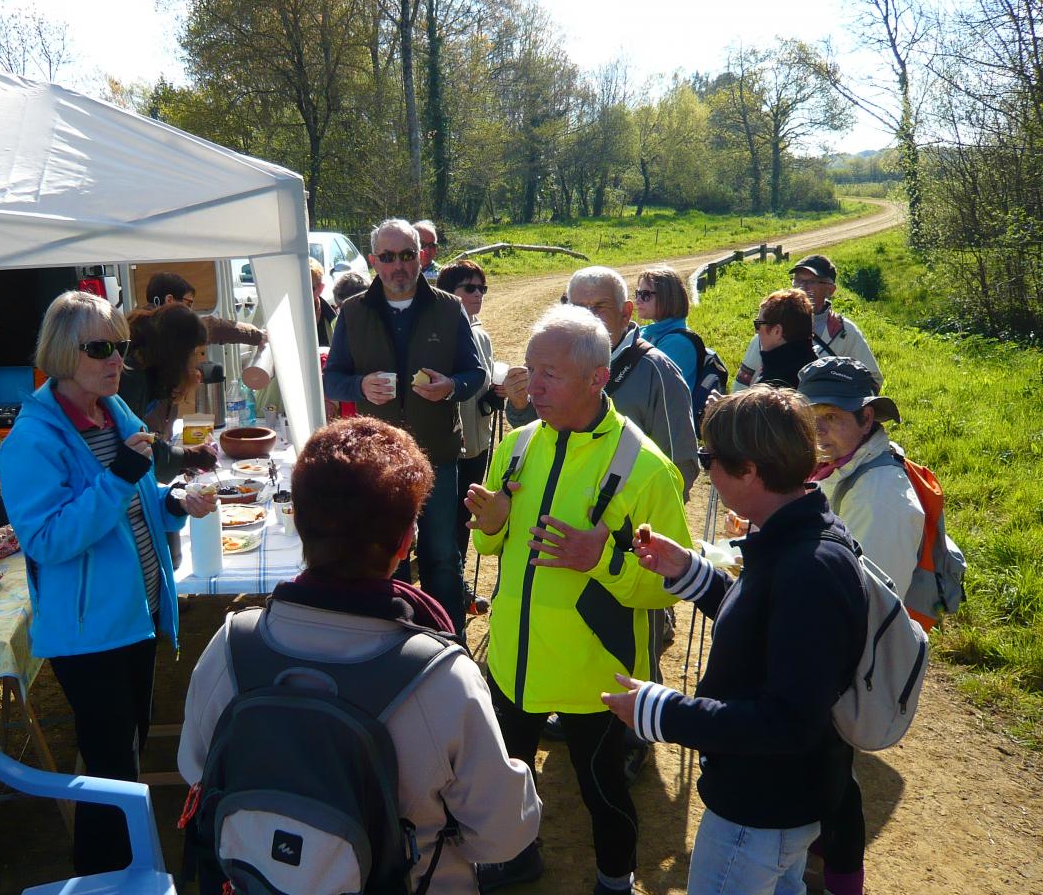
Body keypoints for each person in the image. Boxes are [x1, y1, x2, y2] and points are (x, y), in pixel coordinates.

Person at [178, 417, 542, 894]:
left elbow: (195, 767)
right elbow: (501, 837)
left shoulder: (235, 644)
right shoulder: (442, 677)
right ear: (405, 543)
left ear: (299, 525)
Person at [602, 386, 868, 895]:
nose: (705, 470)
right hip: (781, 804)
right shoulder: (794, 534)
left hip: (760, 810)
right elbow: (767, 626)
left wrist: (663, 712)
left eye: (710, 459)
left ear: (748, 469)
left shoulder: (806, 567)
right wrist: (693, 573)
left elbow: (788, 722)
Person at [466, 305, 692, 895]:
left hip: (597, 677)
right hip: (514, 663)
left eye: (550, 374)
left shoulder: (646, 468)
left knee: (603, 792)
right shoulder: (515, 447)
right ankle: (516, 858)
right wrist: (490, 525)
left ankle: (614, 882)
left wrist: (604, 560)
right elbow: (493, 543)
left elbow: (671, 584)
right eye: (529, 369)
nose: (531, 385)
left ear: (597, 378)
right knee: (507, 779)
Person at [0, 290, 217, 877]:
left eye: (121, 346)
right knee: (111, 776)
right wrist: (121, 476)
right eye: (101, 348)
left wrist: (173, 502)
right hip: (88, 632)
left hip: (136, 615)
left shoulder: (112, 412)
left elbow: (135, 502)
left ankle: (117, 877)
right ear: (64, 354)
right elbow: (48, 540)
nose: (118, 359)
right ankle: (106, 878)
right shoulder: (32, 442)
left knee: (125, 760)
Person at [323, 217, 487, 636]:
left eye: (408, 255)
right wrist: (359, 385)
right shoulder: (354, 312)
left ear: (422, 257)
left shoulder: (449, 309)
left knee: (441, 556)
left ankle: (449, 641)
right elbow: (332, 377)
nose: (399, 266)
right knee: (382, 555)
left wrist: (451, 386)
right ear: (374, 260)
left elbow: (477, 374)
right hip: (379, 461)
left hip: (437, 456)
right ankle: (391, 639)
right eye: (389, 257)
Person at [799, 356, 924, 895]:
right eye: (812, 416)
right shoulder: (842, 468)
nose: (820, 430)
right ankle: (820, 857)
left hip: (843, 656)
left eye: (834, 417)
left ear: (867, 419)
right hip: (822, 641)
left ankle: (840, 881)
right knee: (821, 773)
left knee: (830, 776)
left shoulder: (884, 499)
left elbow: (873, 602)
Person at [506, 266, 699, 499]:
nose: (588, 318)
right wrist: (520, 405)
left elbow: (679, 466)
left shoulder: (657, 372)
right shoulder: (553, 362)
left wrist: (617, 524)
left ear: (626, 313)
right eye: (578, 308)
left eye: (599, 307)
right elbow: (542, 436)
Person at [733, 254, 881, 390]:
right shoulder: (768, 325)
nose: (802, 288)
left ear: (830, 290)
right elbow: (742, 384)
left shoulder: (846, 333)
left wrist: (837, 397)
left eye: (810, 282)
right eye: (797, 280)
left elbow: (873, 381)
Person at [435, 259, 500, 565]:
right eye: (469, 287)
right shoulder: (439, 334)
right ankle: (451, 581)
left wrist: (494, 396)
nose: (479, 294)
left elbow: (482, 385)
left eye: (482, 288)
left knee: (466, 514)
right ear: (448, 292)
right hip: (449, 442)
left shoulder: (482, 335)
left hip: (479, 441)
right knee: (446, 518)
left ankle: (458, 581)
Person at [120, 303, 218, 483]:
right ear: (176, 353)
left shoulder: (149, 369)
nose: (194, 362)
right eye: (193, 353)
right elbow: (136, 441)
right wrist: (187, 457)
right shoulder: (132, 376)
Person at [144, 270, 266, 348]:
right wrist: (258, 335)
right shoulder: (172, 328)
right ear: (169, 300)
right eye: (188, 303)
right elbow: (214, 327)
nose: (190, 311)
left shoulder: (136, 324)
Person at [634, 265, 697, 390]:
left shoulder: (678, 343)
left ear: (667, 297)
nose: (637, 301)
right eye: (637, 293)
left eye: (645, 294)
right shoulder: (646, 331)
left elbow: (643, 386)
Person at [751, 288, 818, 389]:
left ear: (777, 331)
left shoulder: (771, 387)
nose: (756, 331)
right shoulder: (816, 370)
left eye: (758, 324)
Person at [309, 255, 338, 347]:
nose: (303, 294)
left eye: (309, 288)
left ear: (320, 288)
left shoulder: (330, 317)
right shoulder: (286, 315)